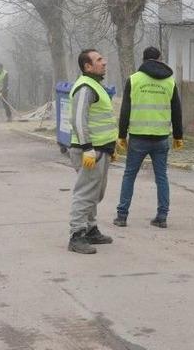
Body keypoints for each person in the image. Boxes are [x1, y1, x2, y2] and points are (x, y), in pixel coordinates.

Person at [114, 46, 183, 229]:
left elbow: (125, 109)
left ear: (144, 60)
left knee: (129, 175)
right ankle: (162, 217)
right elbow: (176, 110)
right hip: (161, 139)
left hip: (138, 138)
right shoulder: (170, 81)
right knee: (161, 177)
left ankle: (122, 216)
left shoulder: (134, 80)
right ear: (159, 59)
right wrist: (178, 136)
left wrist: (121, 134)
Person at [67, 49, 118, 254]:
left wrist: (110, 147)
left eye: (102, 58)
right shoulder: (86, 87)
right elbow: (79, 120)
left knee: (95, 192)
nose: (104, 62)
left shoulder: (96, 85)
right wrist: (87, 148)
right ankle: (76, 235)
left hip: (100, 149)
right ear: (87, 66)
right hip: (89, 150)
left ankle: (90, 229)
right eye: (99, 60)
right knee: (85, 193)